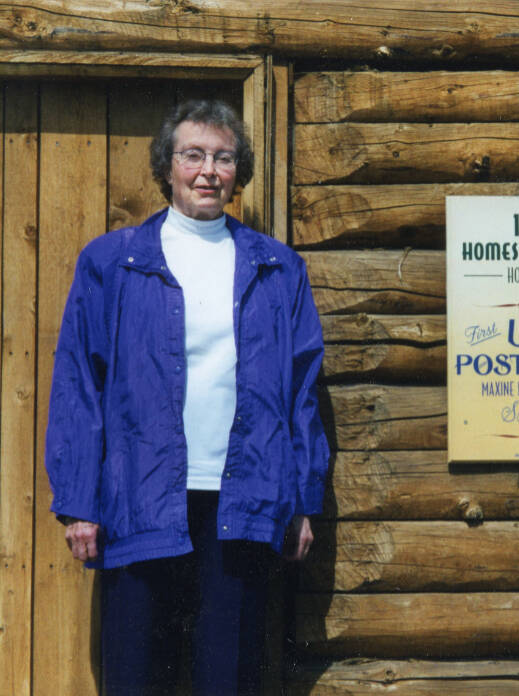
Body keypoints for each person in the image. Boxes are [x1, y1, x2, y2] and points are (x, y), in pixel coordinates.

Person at [44, 99, 330, 695]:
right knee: (136, 671)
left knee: (229, 674)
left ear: (238, 171)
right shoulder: (113, 262)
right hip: (141, 500)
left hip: (242, 502)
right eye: (193, 155)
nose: (208, 171)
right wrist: (78, 502)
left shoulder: (277, 269)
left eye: (223, 158)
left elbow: (302, 390)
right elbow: (79, 384)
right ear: (167, 166)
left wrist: (303, 498)